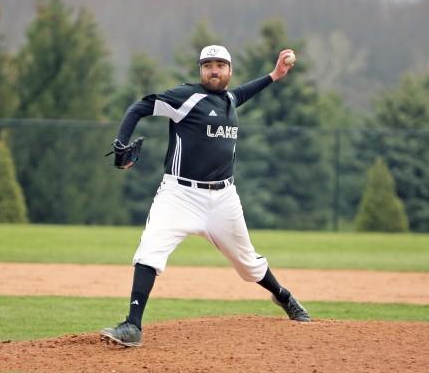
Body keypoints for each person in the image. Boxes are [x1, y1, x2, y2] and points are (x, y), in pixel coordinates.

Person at [100, 45, 312, 347]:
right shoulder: (186, 98)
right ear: (200, 70)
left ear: (229, 70)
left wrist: (275, 76)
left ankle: (285, 297)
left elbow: (243, 93)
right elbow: (138, 108)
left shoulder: (229, 99)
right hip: (179, 195)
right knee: (150, 251)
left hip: (223, 199)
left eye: (220, 65)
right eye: (208, 65)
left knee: (248, 264)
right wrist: (121, 144)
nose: (214, 70)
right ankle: (132, 325)